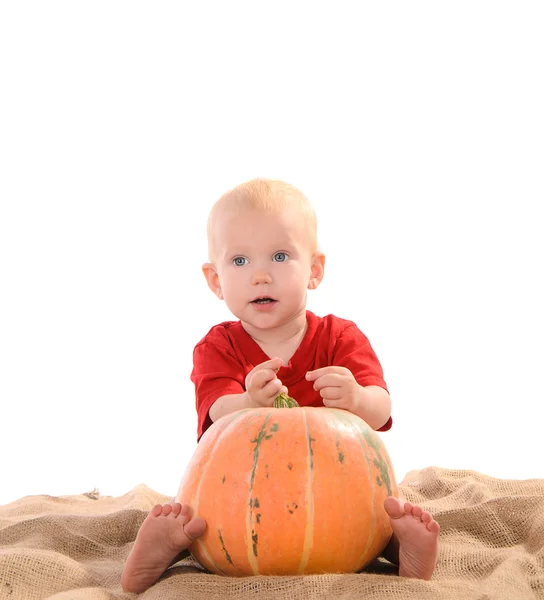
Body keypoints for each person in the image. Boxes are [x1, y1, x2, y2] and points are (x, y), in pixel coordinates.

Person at [121, 179, 440, 594]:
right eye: (239, 261)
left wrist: (359, 399)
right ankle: (163, 545)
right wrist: (250, 402)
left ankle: (404, 549)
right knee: (200, 524)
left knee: (379, 517)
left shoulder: (340, 338)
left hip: (333, 499)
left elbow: (381, 410)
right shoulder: (218, 346)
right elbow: (217, 413)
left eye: (279, 255)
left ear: (314, 271)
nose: (260, 275)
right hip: (239, 497)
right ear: (215, 280)